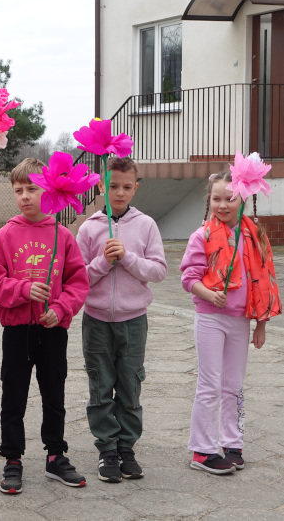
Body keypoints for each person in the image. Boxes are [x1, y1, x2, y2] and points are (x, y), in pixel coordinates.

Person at [0, 158, 90, 495]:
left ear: (49, 190)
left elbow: (78, 283)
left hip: (52, 329)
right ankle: (12, 458)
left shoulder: (63, 236)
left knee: (54, 393)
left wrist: (61, 308)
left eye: (32, 188)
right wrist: (23, 289)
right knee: (13, 394)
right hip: (17, 329)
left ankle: (55, 455)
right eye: (18, 190)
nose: (25, 196)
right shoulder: (5, 235)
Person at [180, 172, 281, 474]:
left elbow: (264, 280)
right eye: (216, 198)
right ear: (209, 200)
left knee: (234, 385)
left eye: (230, 198)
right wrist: (210, 295)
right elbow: (189, 279)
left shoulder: (254, 236)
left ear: (243, 199)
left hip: (240, 320)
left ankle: (232, 443)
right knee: (210, 384)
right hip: (210, 318)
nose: (222, 205)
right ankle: (202, 450)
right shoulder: (202, 236)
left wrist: (261, 325)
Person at [76, 157, 167, 482]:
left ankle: (127, 448)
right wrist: (103, 262)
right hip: (97, 321)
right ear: (102, 185)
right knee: (100, 386)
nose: (119, 193)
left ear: (135, 188)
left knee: (130, 385)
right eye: (113, 186)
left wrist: (127, 257)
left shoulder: (147, 225)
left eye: (127, 187)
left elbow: (158, 270)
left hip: (133, 321)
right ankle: (107, 449)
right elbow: (77, 278)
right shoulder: (89, 228)